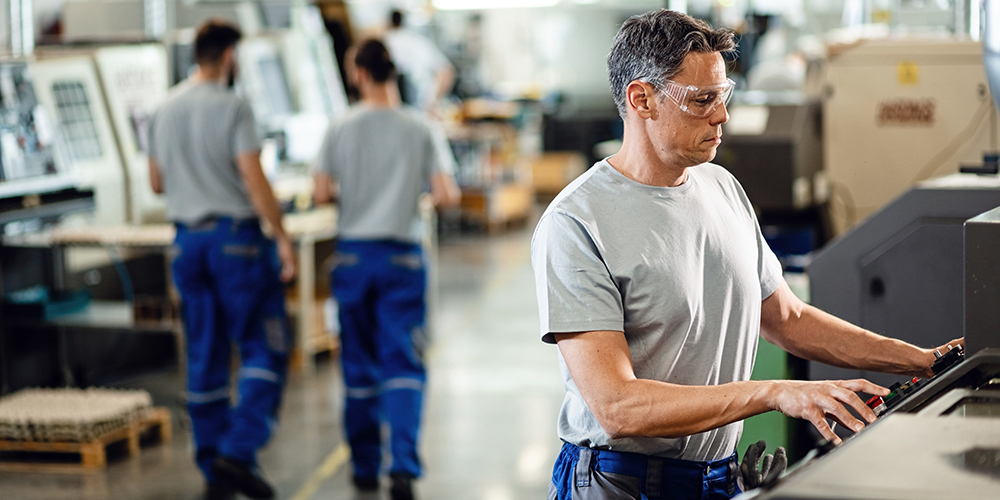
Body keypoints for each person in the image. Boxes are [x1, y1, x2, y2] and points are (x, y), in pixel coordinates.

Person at [530, 9, 962, 500]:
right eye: (702, 100)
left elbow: (788, 318)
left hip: (718, 476)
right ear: (642, 99)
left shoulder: (722, 187)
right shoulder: (577, 222)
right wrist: (773, 392)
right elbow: (616, 406)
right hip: (620, 480)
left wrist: (922, 361)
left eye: (724, 95)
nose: (722, 116)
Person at [148, 19, 297, 500]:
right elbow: (253, 179)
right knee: (266, 345)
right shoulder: (235, 107)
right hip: (236, 242)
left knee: (205, 351)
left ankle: (215, 466)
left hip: (187, 241)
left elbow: (156, 182)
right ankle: (238, 450)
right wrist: (282, 235)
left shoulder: (164, 109)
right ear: (230, 57)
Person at [312, 39, 461, 500]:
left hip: (354, 257)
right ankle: (402, 469)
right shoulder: (419, 127)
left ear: (358, 73)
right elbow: (446, 194)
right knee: (404, 363)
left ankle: (363, 468)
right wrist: (405, 197)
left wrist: (357, 194)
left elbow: (319, 193)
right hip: (403, 258)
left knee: (357, 364)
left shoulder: (339, 127)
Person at [384, 8, 456, 113]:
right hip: (421, 111)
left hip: (392, 112)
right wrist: (433, 101)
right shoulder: (420, 43)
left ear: (389, 22)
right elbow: (447, 72)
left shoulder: (384, 44)